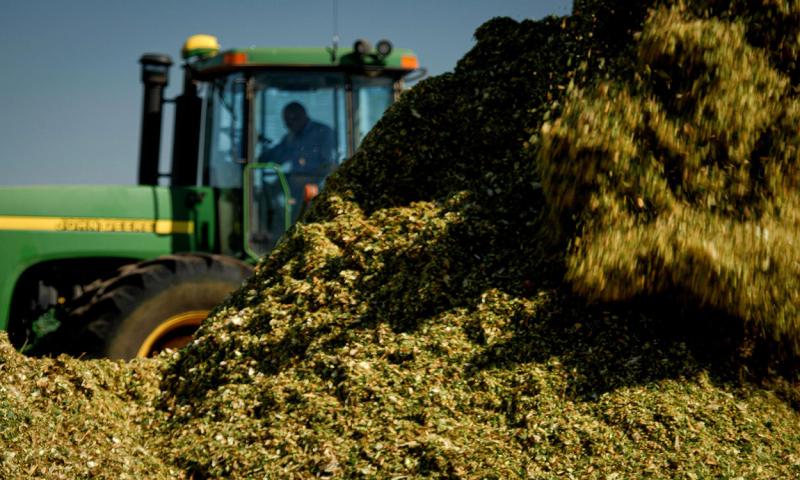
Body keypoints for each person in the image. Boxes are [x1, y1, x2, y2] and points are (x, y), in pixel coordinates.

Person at [261, 102, 336, 177]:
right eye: (286, 124)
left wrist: (313, 177)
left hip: (318, 182)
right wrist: (265, 154)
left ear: (299, 118)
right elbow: (279, 157)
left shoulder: (323, 132)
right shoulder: (290, 137)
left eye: (289, 124)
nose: (288, 127)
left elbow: (328, 163)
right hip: (296, 183)